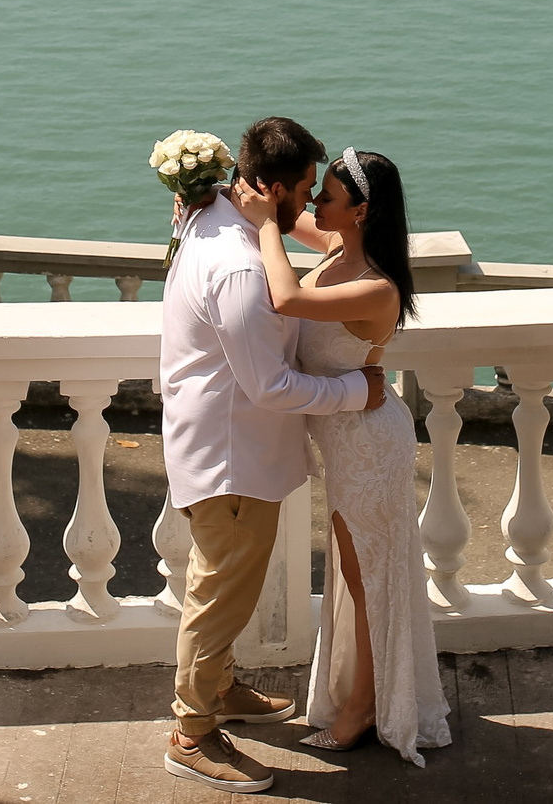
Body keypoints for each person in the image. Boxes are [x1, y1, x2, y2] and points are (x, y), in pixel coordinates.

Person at [160, 116, 388, 794]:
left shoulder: (212, 213)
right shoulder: (237, 266)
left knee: (228, 587)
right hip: (233, 455)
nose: (311, 201)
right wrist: (356, 390)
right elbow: (271, 384)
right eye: (307, 188)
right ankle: (190, 732)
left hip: (224, 442)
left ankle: (221, 688)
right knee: (219, 596)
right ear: (273, 186)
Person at [237, 145, 452, 766]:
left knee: (366, 579)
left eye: (326, 195)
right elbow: (281, 213)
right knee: (355, 574)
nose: (315, 203)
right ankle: (366, 696)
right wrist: (226, 191)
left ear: (359, 210)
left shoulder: (376, 287)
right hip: (346, 440)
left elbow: (286, 299)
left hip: (368, 446)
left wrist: (266, 225)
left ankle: (361, 711)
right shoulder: (336, 249)